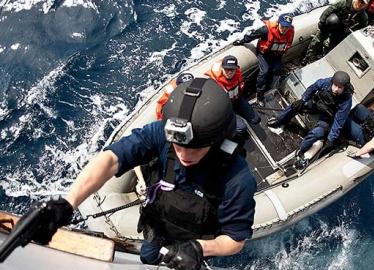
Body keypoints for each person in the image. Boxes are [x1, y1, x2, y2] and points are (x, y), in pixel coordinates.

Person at [20, 78, 257, 270]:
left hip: (195, 241)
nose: (183, 154)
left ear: (216, 141)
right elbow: (111, 159)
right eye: (177, 144)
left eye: (194, 148)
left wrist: (200, 249)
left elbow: (235, 239)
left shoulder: (236, 179)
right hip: (157, 227)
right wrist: (68, 203)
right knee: (147, 257)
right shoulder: (161, 135)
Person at [267, 71, 353, 168]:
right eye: (335, 85)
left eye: (340, 87)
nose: (336, 89)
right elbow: (313, 88)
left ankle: (301, 150)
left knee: (317, 133)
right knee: (295, 106)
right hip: (316, 105)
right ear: (332, 82)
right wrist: (302, 100)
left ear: (344, 88)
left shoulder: (346, 101)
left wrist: (331, 139)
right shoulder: (325, 82)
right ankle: (279, 120)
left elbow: (339, 121)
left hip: (327, 116)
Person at [233, 14, 294, 106]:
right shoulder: (266, 30)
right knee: (264, 71)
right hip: (264, 54)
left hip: (276, 55)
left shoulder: (290, 32)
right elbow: (253, 35)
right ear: (278, 24)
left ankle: (271, 87)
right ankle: (260, 95)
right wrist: (241, 41)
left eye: (287, 27)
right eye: (283, 26)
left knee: (278, 69)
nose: (284, 29)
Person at [205, 55, 260, 141]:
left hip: (237, 100)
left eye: (232, 70)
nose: (229, 72)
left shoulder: (238, 75)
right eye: (227, 69)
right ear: (222, 68)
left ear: (236, 69)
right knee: (241, 128)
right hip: (225, 108)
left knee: (256, 119)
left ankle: (238, 114)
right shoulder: (214, 83)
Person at [302, 0, 369, 64]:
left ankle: (324, 59)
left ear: (365, 5)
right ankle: (307, 58)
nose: (360, 4)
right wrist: (322, 21)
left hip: (340, 31)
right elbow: (329, 9)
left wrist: (352, 32)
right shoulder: (344, 3)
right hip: (330, 24)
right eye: (360, 1)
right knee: (317, 41)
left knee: (332, 47)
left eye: (363, 3)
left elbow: (363, 27)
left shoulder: (362, 15)